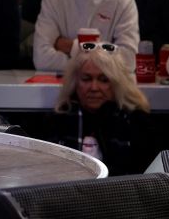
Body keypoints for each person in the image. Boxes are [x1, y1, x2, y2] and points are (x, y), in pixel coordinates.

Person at [35, 43, 157, 175]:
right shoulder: (57, 120)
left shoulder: (136, 122)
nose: (94, 88)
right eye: (86, 79)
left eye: (104, 80)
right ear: (75, 82)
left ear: (117, 83)